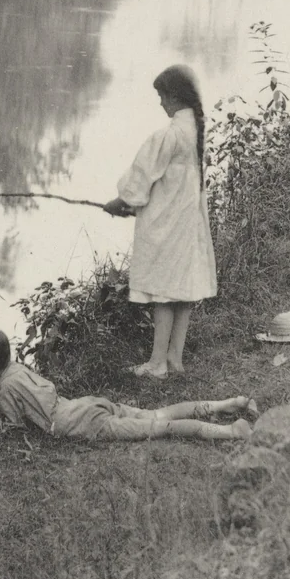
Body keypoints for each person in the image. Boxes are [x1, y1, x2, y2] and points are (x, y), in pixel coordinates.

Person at [0, 327, 254, 442]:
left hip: (83, 425)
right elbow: (14, 406)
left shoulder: (7, 388)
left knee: (162, 429)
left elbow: (12, 431)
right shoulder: (16, 371)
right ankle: (231, 403)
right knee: (157, 414)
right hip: (85, 405)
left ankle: (230, 431)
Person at [103, 64, 217, 379]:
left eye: (162, 96)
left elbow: (140, 179)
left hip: (168, 226)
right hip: (186, 223)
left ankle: (157, 365)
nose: (160, 103)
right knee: (182, 291)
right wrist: (133, 203)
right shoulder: (195, 129)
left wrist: (121, 201)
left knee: (165, 293)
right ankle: (174, 359)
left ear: (175, 96)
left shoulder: (168, 135)